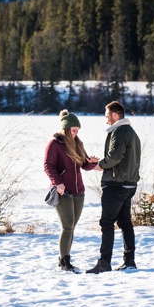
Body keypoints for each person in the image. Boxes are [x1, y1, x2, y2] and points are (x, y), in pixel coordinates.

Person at [86, 101, 142, 274]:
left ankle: (104, 263)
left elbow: (114, 157)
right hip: (129, 184)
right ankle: (129, 260)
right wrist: (102, 163)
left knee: (107, 223)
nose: (106, 120)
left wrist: (99, 165)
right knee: (125, 222)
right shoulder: (132, 133)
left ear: (115, 115)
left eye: (107, 116)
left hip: (116, 186)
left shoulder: (119, 131)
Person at [44, 109, 99, 272]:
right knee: (67, 226)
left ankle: (66, 257)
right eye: (74, 130)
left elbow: (84, 165)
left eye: (78, 131)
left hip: (78, 191)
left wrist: (92, 162)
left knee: (72, 227)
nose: (76, 133)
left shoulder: (78, 143)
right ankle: (63, 260)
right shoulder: (54, 144)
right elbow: (48, 166)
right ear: (66, 129)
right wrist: (58, 183)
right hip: (63, 191)